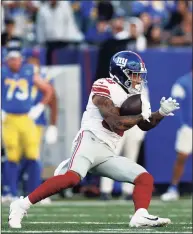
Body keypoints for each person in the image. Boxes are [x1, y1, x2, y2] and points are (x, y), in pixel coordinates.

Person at [8, 50, 179, 229]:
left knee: (145, 178)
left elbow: (145, 125)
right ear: (121, 72)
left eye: (139, 75)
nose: (138, 79)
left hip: (107, 151)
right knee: (71, 179)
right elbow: (115, 123)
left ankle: (140, 215)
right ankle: (21, 205)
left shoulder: (137, 96)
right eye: (134, 75)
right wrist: (140, 116)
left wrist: (160, 113)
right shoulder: (104, 85)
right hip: (90, 140)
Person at [1, 50, 53, 203]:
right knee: (12, 155)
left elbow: (48, 90)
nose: (14, 62)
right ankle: (9, 192)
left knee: (32, 154)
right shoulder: (2, 73)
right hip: (8, 119)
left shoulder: (29, 72)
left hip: (26, 118)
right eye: (11, 60)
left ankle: (35, 192)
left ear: (21, 60)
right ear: (7, 61)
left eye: (16, 59)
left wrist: (39, 107)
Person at [17, 53, 58, 203]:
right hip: (15, 121)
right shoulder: (16, 76)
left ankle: (33, 192)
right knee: (15, 157)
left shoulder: (43, 78)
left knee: (33, 157)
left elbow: (53, 100)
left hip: (35, 123)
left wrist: (53, 125)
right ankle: (11, 190)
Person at [100, 87, 149, 200]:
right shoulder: (114, 84)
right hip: (118, 123)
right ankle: (105, 190)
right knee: (110, 157)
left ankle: (128, 191)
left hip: (134, 125)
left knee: (131, 159)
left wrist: (142, 128)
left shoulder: (142, 87)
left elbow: (146, 108)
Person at [161, 70, 192, 201]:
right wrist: (182, 124)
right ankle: (173, 188)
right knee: (182, 157)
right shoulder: (183, 82)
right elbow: (175, 104)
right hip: (188, 127)